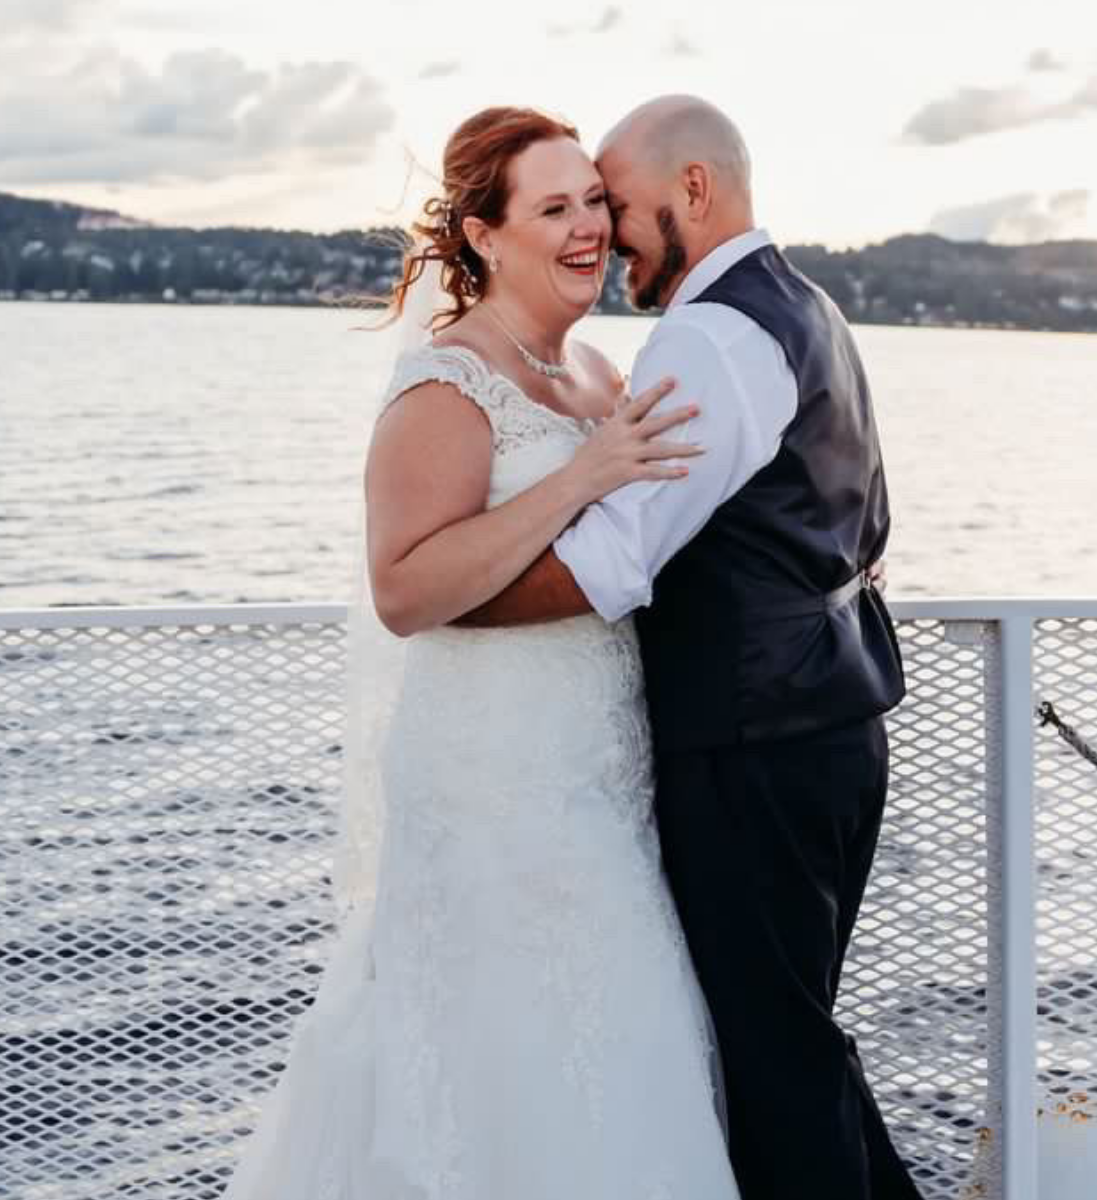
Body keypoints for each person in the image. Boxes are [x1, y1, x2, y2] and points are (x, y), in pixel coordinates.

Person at [216, 105, 741, 1199]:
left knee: (621, 1054)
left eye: (594, 200)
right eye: (553, 208)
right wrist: (578, 479)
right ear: (485, 236)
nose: (589, 228)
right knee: (500, 1073)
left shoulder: (597, 375)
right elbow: (404, 589)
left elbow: (643, 552)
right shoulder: (447, 386)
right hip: (487, 783)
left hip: (600, 780)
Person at [455, 94, 920, 1200]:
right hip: (833, 729)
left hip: (751, 746)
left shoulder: (709, 336)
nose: (605, 237)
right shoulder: (811, 311)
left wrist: (452, 599)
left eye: (617, 206)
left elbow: (614, 563)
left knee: (771, 1062)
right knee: (793, 1034)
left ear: (694, 191)